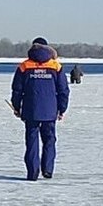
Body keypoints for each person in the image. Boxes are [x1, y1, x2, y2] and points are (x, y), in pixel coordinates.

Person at [10, 37, 70, 181]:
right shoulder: (55, 66)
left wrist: (17, 107)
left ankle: (32, 173)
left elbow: (17, 89)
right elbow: (63, 90)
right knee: (49, 140)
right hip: (50, 110)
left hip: (30, 110)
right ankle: (48, 169)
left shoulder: (24, 66)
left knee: (32, 141)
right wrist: (62, 109)